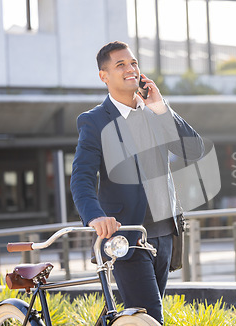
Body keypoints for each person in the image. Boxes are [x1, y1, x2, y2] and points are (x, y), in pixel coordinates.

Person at [70, 41, 204, 324]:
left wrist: (161, 106)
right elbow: (81, 177)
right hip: (125, 236)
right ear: (104, 76)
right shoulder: (94, 122)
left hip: (165, 233)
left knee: (136, 315)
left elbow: (193, 151)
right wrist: (95, 216)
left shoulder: (155, 113)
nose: (130, 69)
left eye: (133, 63)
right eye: (121, 65)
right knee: (150, 318)